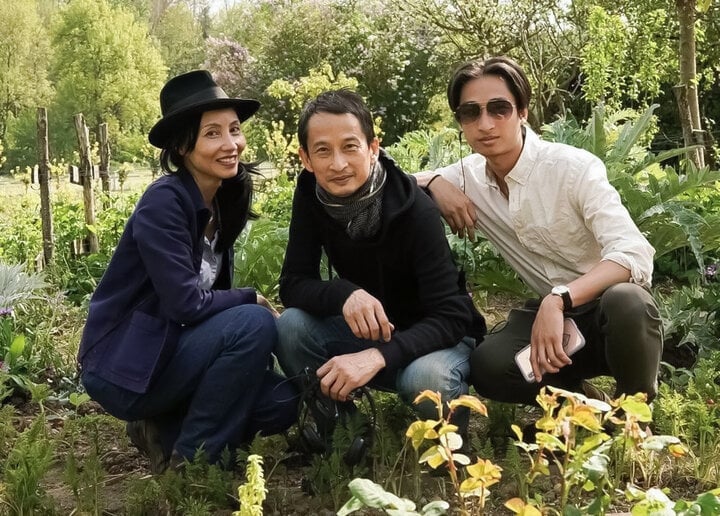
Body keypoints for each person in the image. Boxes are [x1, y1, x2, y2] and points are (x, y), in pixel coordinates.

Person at [77, 70, 298, 473]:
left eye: (234, 129)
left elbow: (210, 309)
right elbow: (186, 304)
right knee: (252, 321)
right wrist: (252, 298)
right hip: (126, 365)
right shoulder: (164, 203)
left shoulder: (223, 198)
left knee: (280, 401)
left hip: (175, 353)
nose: (231, 144)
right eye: (213, 133)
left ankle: (162, 429)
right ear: (182, 145)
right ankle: (194, 462)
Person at [415, 56, 663, 406]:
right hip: (555, 330)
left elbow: (634, 255)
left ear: (523, 112)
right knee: (489, 366)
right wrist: (436, 181)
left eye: (499, 108)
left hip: (608, 319)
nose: (485, 123)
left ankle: (633, 414)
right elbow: (382, 178)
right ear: (459, 121)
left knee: (628, 300)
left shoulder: (572, 168)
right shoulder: (467, 178)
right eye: (470, 112)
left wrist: (558, 298)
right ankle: (585, 407)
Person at [274, 89, 486, 439]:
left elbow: (451, 316)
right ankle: (346, 432)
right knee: (291, 326)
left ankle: (446, 452)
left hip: (437, 339)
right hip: (374, 331)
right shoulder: (312, 195)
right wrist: (344, 294)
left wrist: (376, 356)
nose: (338, 164)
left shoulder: (415, 209)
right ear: (306, 159)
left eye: (350, 146)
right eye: (323, 150)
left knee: (426, 380)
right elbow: (294, 282)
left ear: (373, 148)